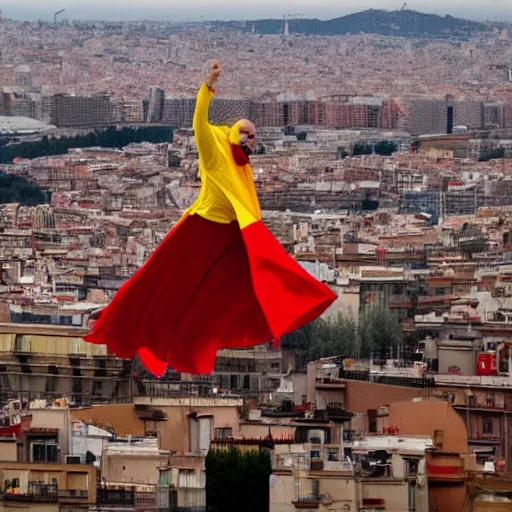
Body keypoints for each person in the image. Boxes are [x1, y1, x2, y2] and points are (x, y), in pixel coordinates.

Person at [84, 62, 336, 375]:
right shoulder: (216, 150)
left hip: (229, 234)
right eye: (247, 135)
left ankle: (277, 315)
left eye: (255, 137)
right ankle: (111, 318)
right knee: (158, 280)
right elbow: (199, 122)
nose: (252, 142)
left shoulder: (242, 164)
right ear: (236, 134)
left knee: (236, 289)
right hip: (202, 228)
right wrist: (208, 87)